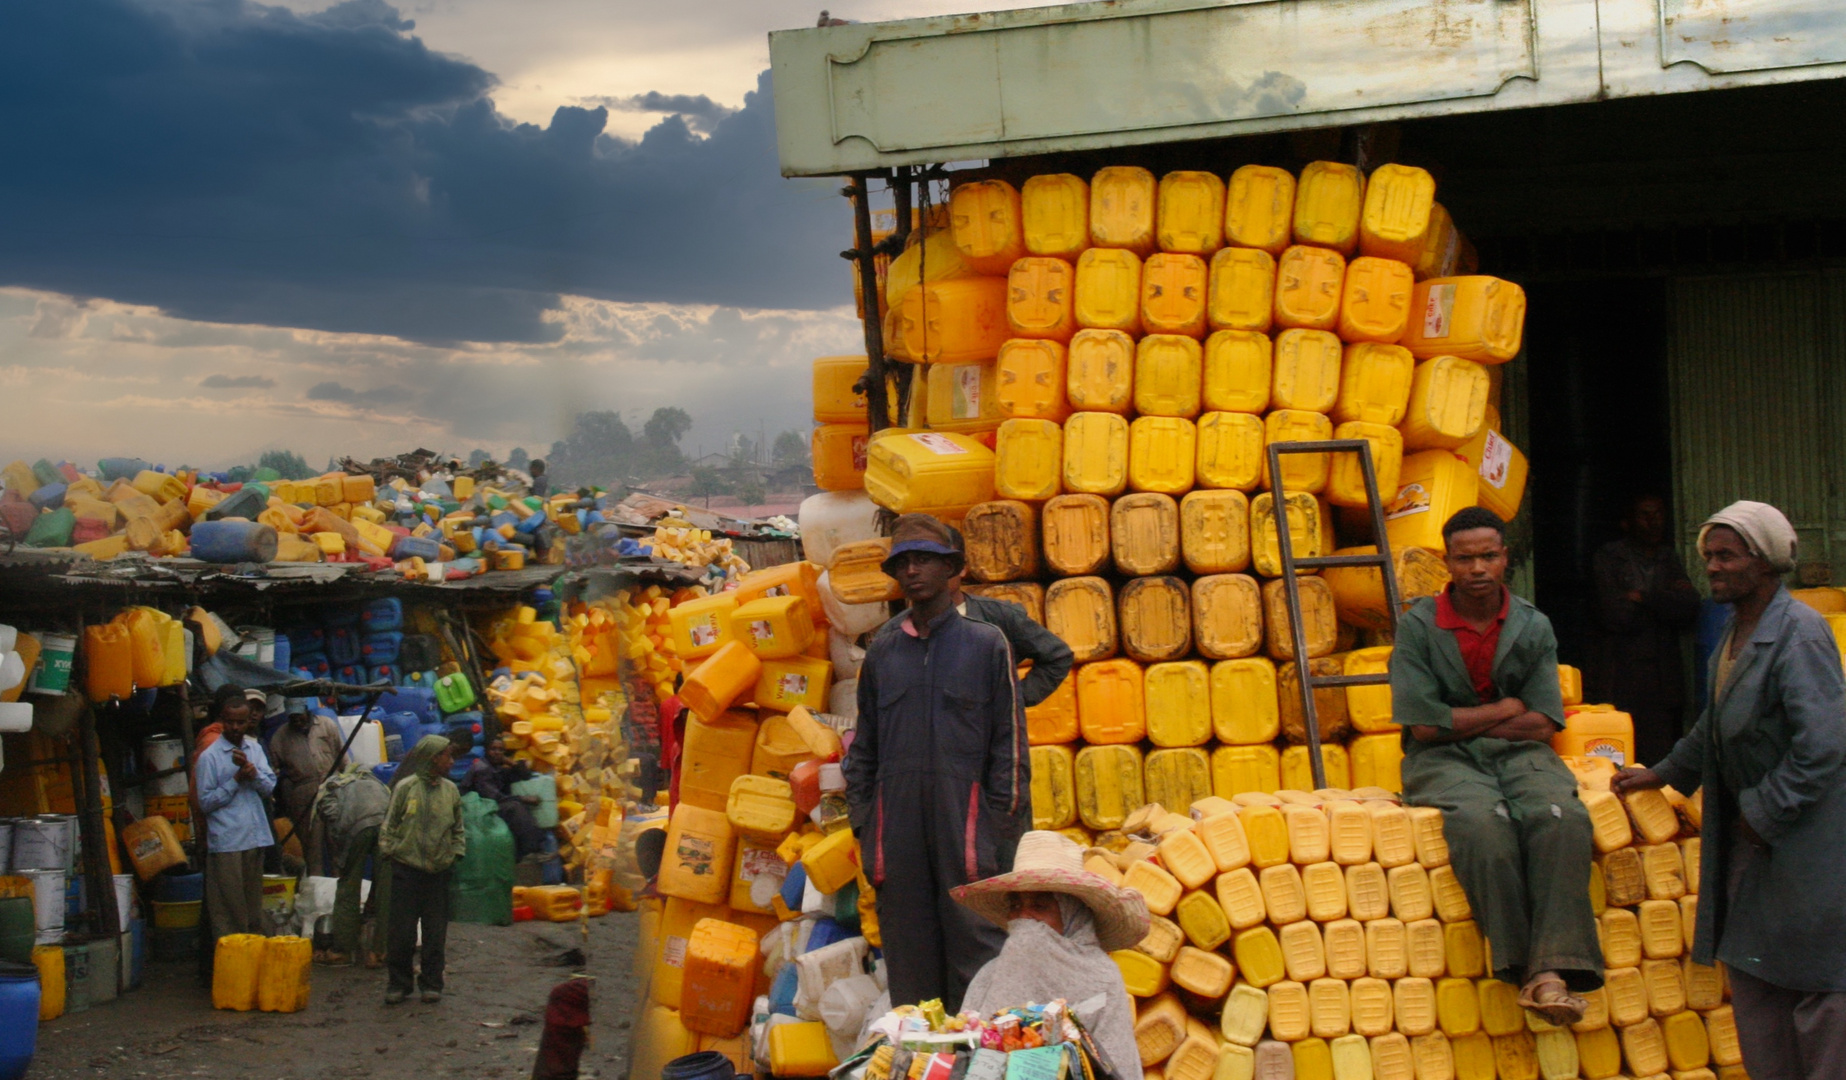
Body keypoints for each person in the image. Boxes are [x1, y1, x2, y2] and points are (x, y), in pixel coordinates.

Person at [1613, 501, 1846, 1078]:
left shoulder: (1799, 634)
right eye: (1709, 557)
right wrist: (1662, 773)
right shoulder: (1736, 634)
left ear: (1763, 562)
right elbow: (1713, 726)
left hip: (1804, 840)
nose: (1712, 568)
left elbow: (1824, 743)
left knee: (1820, 989)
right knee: (1757, 978)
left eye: (1727, 556)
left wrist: (1763, 811)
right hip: (1755, 844)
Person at [1390, 506, 1601, 1024]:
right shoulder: (1418, 627)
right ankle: (1531, 971)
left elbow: (1544, 723)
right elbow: (1424, 729)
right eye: (1465, 559)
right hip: (1440, 760)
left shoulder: (1532, 625)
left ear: (1505, 557)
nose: (1477, 568)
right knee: (1485, 826)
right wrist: (1508, 708)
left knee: (1560, 817)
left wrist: (1468, 719)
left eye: (1488, 556)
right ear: (1448, 562)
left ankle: (1554, 967)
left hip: (1522, 754)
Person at [843, 513, 1030, 1013]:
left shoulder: (987, 645)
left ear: (951, 569)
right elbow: (863, 750)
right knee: (909, 958)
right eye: (903, 562)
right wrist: (866, 823)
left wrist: (994, 830)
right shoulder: (883, 651)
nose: (912, 571)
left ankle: (980, 1060)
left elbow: (1010, 753)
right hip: (896, 829)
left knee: (978, 952)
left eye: (924, 559)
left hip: (965, 826)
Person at [952, 832, 1148, 1075]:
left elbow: (1117, 1066)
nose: (1024, 918)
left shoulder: (1102, 979)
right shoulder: (989, 976)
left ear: (1071, 915)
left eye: (1039, 906)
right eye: (1015, 906)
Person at [1588, 494, 1701, 766]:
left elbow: (1689, 606)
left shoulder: (1667, 557)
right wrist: (1664, 603)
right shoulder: (1610, 557)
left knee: (1659, 756)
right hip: (1620, 674)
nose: (1653, 522)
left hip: (1662, 677)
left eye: (1658, 514)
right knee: (1618, 754)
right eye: (1644, 515)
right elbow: (1617, 615)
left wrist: (1644, 598)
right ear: (1627, 522)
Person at [378, 734, 465, 1004]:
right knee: (401, 933)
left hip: (438, 873)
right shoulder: (405, 788)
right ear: (432, 758)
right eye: (447, 756)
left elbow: (458, 829)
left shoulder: (451, 791)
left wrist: (455, 854)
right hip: (407, 870)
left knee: (435, 932)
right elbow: (389, 826)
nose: (451, 762)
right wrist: (391, 851)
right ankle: (399, 984)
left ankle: (431, 983)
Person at [946, 525, 1074, 709]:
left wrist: (1013, 700)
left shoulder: (997, 616)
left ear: (962, 568)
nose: (933, 572)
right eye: (923, 562)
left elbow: (1057, 656)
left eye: (945, 563)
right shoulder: (899, 629)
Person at [194, 684, 278, 944]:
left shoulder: (254, 750)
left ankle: (252, 963)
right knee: (229, 913)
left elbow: (270, 786)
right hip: (227, 843)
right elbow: (205, 802)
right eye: (230, 722)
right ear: (222, 720)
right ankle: (234, 964)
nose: (235, 728)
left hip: (254, 840)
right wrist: (235, 781)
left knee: (253, 910)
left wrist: (252, 775)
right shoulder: (210, 757)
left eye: (240, 722)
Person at [313, 762, 391, 965]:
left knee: (349, 887)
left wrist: (339, 852)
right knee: (386, 888)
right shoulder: (374, 781)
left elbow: (330, 814)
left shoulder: (331, 786)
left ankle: (343, 950)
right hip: (386, 826)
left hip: (356, 829)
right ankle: (379, 952)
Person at [268, 703, 346, 871]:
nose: (296, 720)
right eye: (292, 717)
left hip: (332, 789)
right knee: (312, 850)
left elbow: (343, 758)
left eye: (299, 715)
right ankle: (316, 891)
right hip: (304, 796)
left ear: (307, 710)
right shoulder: (280, 736)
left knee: (338, 848)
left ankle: (339, 890)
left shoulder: (326, 725)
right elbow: (273, 773)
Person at [458, 736, 548, 860]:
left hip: (487, 804)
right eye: (493, 749)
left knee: (516, 805)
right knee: (514, 808)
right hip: (475, 809)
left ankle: (528, 851)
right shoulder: (482, 769)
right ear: (486, 751)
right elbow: (493, 797)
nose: (497, 753)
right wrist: (523, 798)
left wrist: (511, 762)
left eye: (500, 750)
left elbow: (525, 776)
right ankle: (530, 852)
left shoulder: (496, 768)